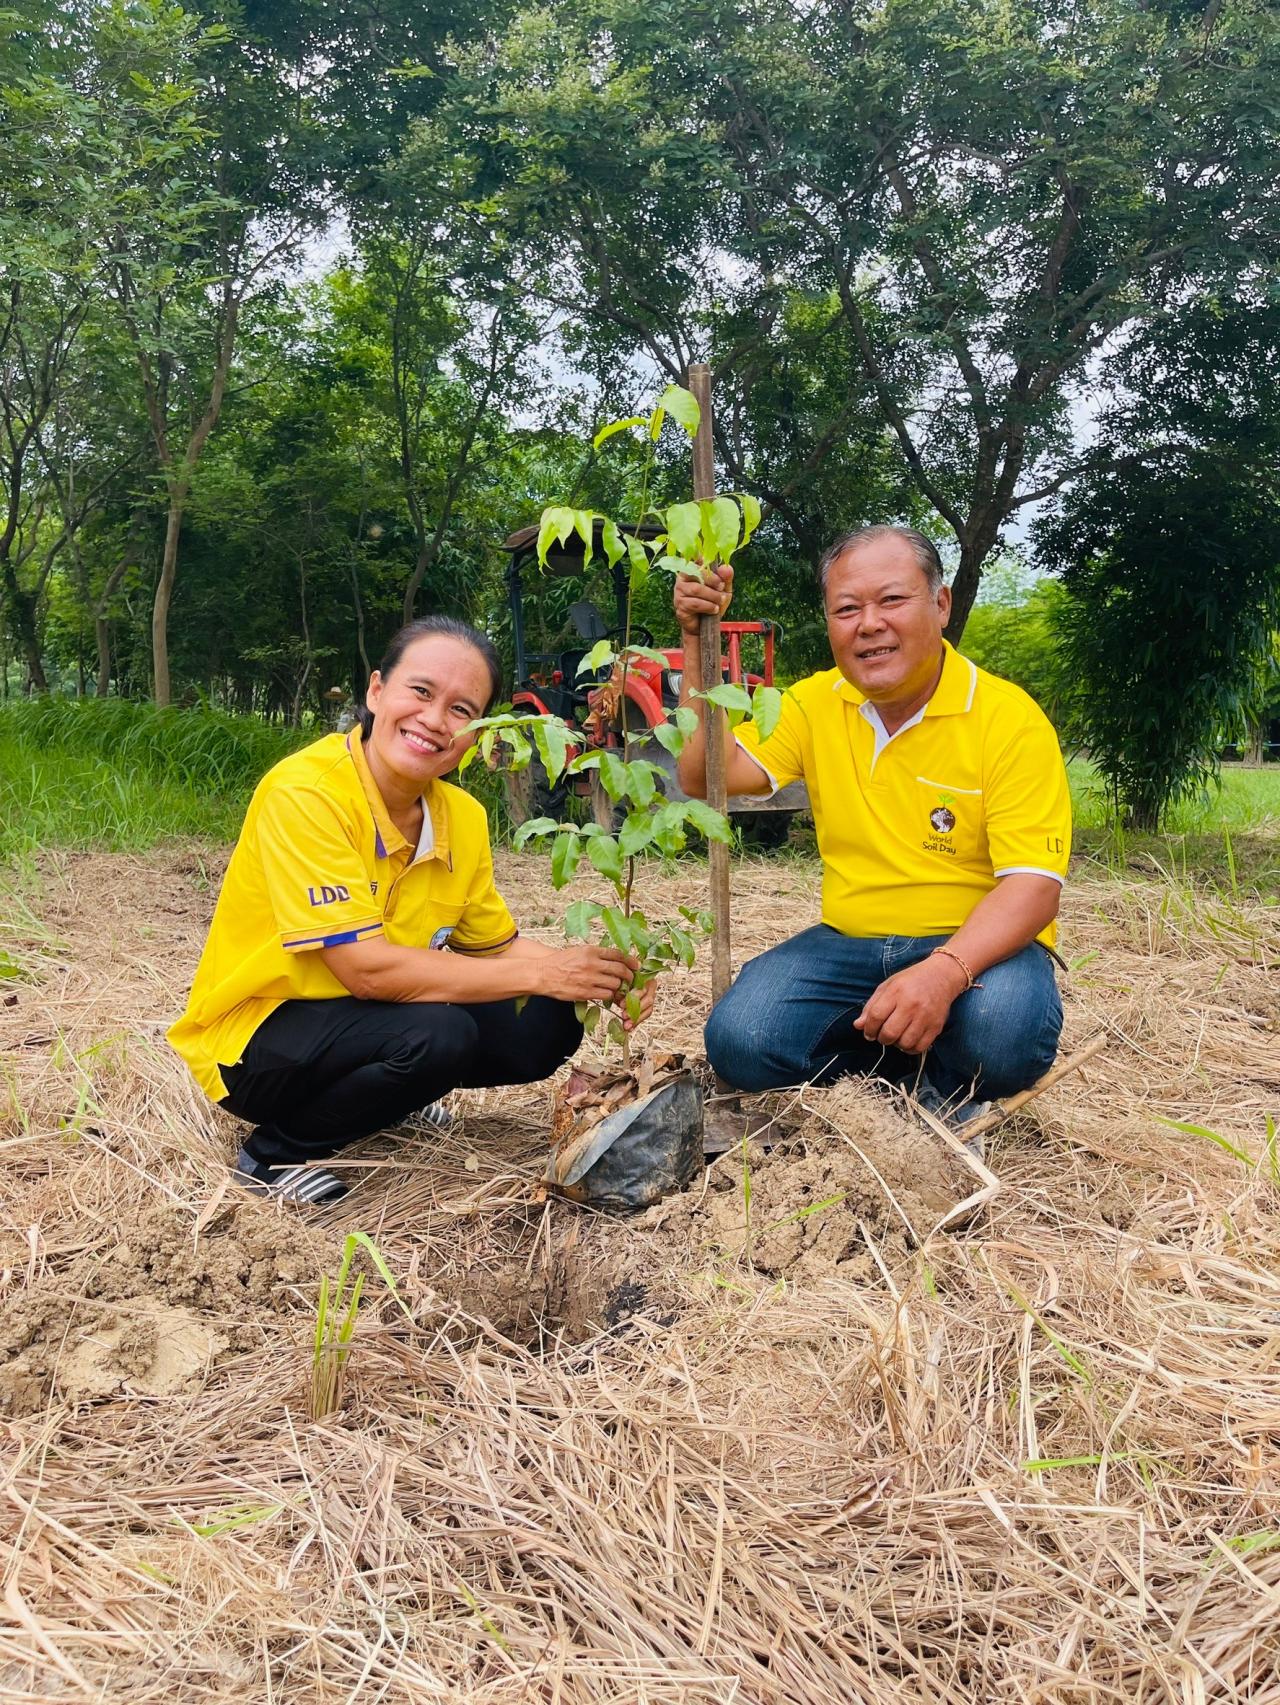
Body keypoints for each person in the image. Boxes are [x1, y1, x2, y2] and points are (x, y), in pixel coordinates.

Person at [169, 615, 649, 1204]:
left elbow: (495, 945)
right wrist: (544, 972)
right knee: (438, 1033)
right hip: (258, 1040)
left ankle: (388, 1100)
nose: (433, 720)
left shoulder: (462, 818)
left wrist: (595, 977)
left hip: (371, 1024)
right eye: (420, 692)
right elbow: (365, 972)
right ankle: (274, 1156)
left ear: (477, 732)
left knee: (547, 1018)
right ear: (377, 692)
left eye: (461, 710)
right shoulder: (308, 794)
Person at [672, 525, 1070, 1135]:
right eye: (847, 609)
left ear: (940, 605)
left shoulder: (1008, 719)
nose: (869, 624)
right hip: (849, 942)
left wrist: (941, 974)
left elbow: (1034, 887)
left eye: (892, 600)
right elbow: (706, 779)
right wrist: (698, 642)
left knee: (1002, 1034)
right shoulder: (811, 703)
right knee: (741, 1038)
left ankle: (947, 1088)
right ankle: (898, 1076)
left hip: (977, 949)